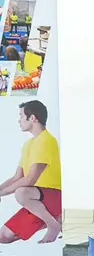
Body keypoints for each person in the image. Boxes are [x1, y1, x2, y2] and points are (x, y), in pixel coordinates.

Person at [0, 101, 62, 245]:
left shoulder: (46, 141)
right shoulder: (29, 144)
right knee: (3, 236)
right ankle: (56, 220)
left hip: (53, 196)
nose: (19, 120)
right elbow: (17, 177)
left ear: (32, 118)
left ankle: (53, 225)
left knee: (21, 192)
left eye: (21, 116)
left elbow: (29, 180)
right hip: (37, 199)